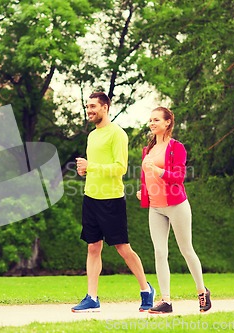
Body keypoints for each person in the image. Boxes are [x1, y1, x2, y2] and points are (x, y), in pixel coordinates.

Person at [72, 92, 155, 313]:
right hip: (91, 197)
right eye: (87, 107)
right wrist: (85, 171)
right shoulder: (92, 136)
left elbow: (121, 168)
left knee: (122, 248)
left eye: (93, 106)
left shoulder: (117, 134)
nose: (89, 110)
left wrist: (91, 166)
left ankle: (146, 290)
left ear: (105, 107)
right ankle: (92, 297)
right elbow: (95, 166)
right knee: (92, 247)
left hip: (112, 199)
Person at [136, 106, 212, 314]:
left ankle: (202, 292)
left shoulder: (176, 147)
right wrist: (143, 193)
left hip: (177, 205)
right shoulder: (148, 149)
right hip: (156, 207)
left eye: (156, 120)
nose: (152, 123)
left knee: (186, 250)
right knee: (160, 252)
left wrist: (157, 170)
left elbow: (178, 176)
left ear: (168, 122)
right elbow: (146, 177)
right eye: (150, 120)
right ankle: (166, 301)